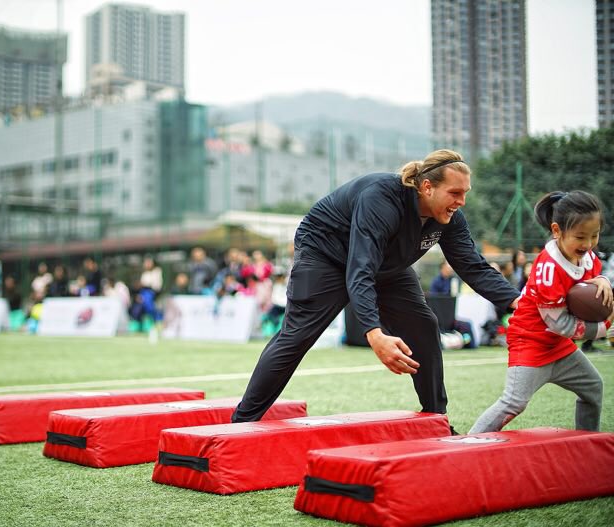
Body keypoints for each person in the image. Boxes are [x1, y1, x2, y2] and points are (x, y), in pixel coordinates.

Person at [231, 149, 520, 427]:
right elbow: (361, 268)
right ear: (428, 187)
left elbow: (473, 266)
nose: (462, 201)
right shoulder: (381, 198)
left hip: (385, 262)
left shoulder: (450, 218)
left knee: (423, 326)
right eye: (455, 193)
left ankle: (436, 420)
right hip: (326, 253)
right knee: (298, 336)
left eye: (465, 193)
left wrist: (518, 302)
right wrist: (373, 331)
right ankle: (241, 423)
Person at [470, 191, 611, 434]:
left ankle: (587, 446)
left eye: (594, 236)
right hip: (531, 340)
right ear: (557, 231)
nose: (588, 244)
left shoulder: (587, 256)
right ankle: (468, 446)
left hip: (557, 344)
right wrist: (604, 328)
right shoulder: (548, 266)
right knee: (514, 402)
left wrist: (602, 280)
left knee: (593, 387)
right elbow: (560, 324)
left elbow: (589, 283)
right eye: (580, 237)